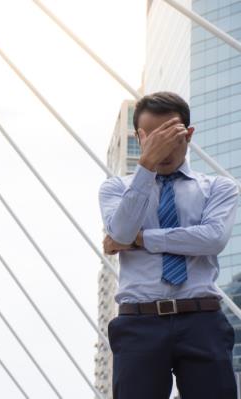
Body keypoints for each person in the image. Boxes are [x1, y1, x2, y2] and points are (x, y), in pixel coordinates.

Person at [99, 92, 239, 399]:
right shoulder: (116, 188)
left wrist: (142, 239)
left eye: (170, 136)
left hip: (202, 318)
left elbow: (213, 239)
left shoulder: (218, 187)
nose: (162, 148)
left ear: (188, 134)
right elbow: (121, 231)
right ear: (140, 137)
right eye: (153, 139)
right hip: (138, 322)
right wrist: (145, 165)